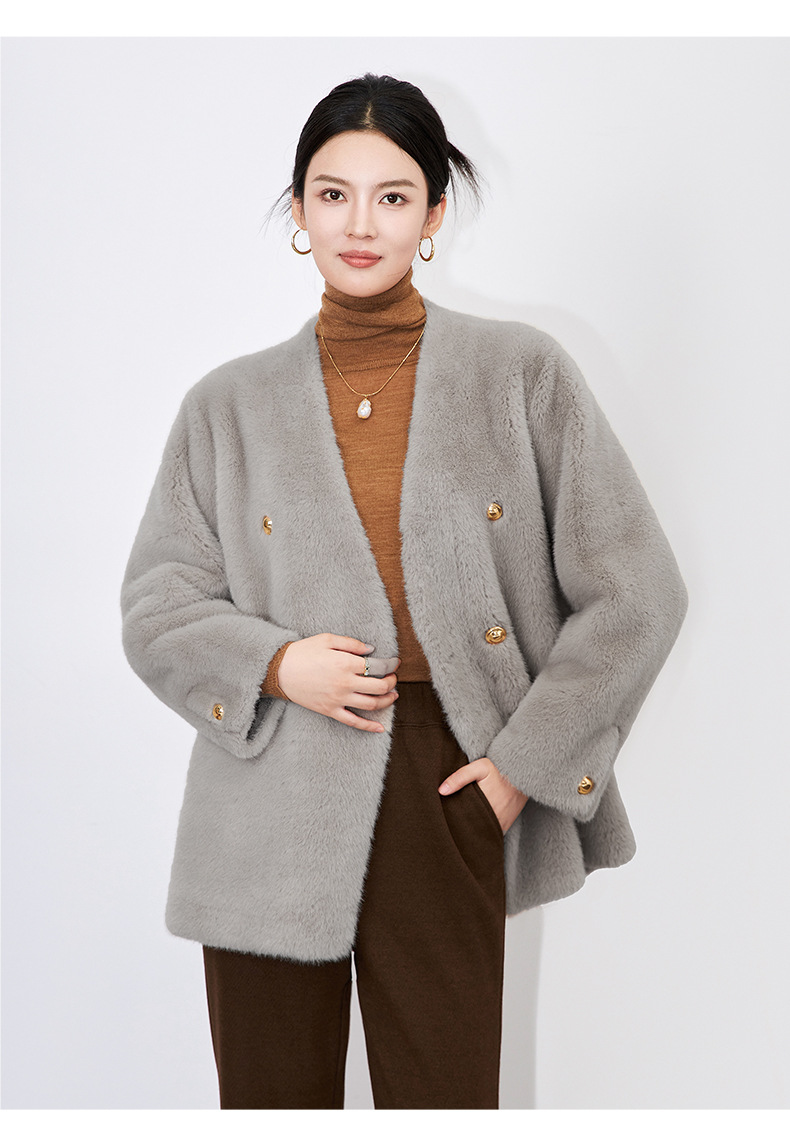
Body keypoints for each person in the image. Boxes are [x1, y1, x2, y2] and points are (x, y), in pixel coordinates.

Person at [121, 73, 688, 1110]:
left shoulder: (519, 373)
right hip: (265, 791)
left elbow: (637, 592)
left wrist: (521, 768)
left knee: (444, 1100)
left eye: (392, 196)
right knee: (270, 1101)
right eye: (332, 194)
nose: (360, 223)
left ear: (433, 214)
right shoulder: (225, 406)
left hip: (445, 782)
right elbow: (158, 605)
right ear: (299, 211)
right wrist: (274, 664)